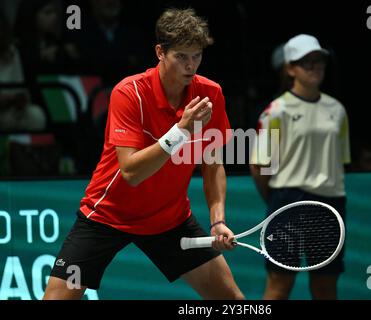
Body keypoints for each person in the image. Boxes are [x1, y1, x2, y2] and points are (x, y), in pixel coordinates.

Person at [43, 8, 244, 300]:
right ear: (160, 52)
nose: (191, 66)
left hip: (170, 220)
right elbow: (132, 172)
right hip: (107, 216)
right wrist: (181, 130)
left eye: (196, 56)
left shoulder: (209, 95)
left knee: (232, 302)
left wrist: (218, 221)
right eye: (181, 57)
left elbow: (212, 164)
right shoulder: (129, 93)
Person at [250, 34, 351, 300]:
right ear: (290, 68)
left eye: (319, 61)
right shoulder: (275, 111)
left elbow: (339, 162)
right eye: (307, 62)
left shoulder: (337, 110)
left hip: (331, 207)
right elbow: (259, 166)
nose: (315, 67)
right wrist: (278, 201)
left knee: (326, 286)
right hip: (287, 203)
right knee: (279, 284)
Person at [0, 9, 47, 132]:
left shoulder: (11, 52)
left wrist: (20, 100)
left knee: (36, 115)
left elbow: (19, 86)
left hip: (9, 109)